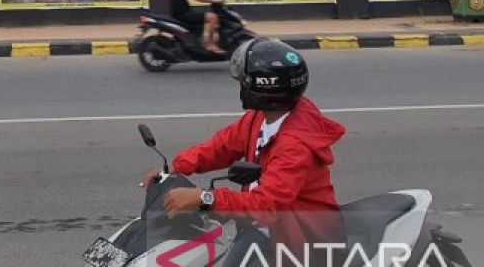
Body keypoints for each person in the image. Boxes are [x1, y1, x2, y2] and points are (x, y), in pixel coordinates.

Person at [142, 39, 345, 267]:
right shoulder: (264, 116)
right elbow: (222, 145)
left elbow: (267, 205)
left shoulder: (295, 145)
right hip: (267, 229)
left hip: (301, 241)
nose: (241, 88)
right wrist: (174, 169)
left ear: (262, 88)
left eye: (243, 82)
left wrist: (205, 198)